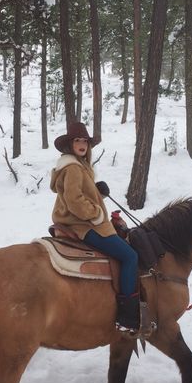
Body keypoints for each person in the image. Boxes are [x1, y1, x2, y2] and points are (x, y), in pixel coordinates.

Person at [50, 122, 141, 333]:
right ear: (69, 145)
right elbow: (74, 200)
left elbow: (75, 192)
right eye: (77, 141)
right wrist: (97, 214)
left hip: (76, 221)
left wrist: (96, 191)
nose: (82, 144)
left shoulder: (76, 166)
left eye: (85, 141)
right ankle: (127, 316)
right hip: (84, 225)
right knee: (129, 257)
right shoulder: (73, 168)